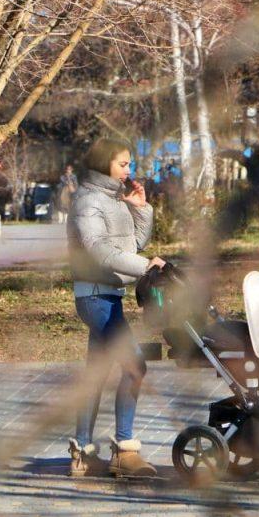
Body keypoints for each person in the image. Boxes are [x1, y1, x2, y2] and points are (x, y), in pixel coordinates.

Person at [66, 138, 166, 478]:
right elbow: (100, 251)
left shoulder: (113, 199)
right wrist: (146, 268)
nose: (129, 170)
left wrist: (140, 209)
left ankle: (81, 453)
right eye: (123, 164)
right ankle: (124, 449)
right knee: (136, 366)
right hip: (94, 296)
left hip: (110, 297)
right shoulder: (88, 202)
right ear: (104, 163)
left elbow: (133, 245)